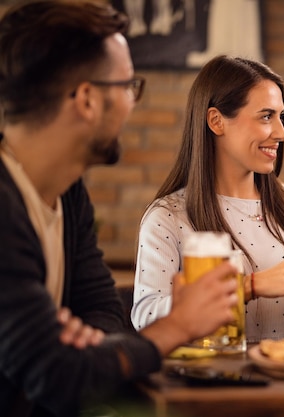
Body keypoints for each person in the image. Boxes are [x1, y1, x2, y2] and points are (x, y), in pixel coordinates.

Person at [0, 1, 240, 415]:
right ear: (88, 99)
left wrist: (87, 351)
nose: (133, 102)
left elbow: (103, 310)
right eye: (129, 86)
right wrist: (177, 326)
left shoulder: (67, 193)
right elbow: (56, 377)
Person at [131, 55, 284, 342]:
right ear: (217, 121)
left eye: (281, 117)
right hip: (214, 383)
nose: (282, 133)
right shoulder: (167, 217)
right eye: (266, 116)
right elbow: (146, 320)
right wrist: (249, 286)